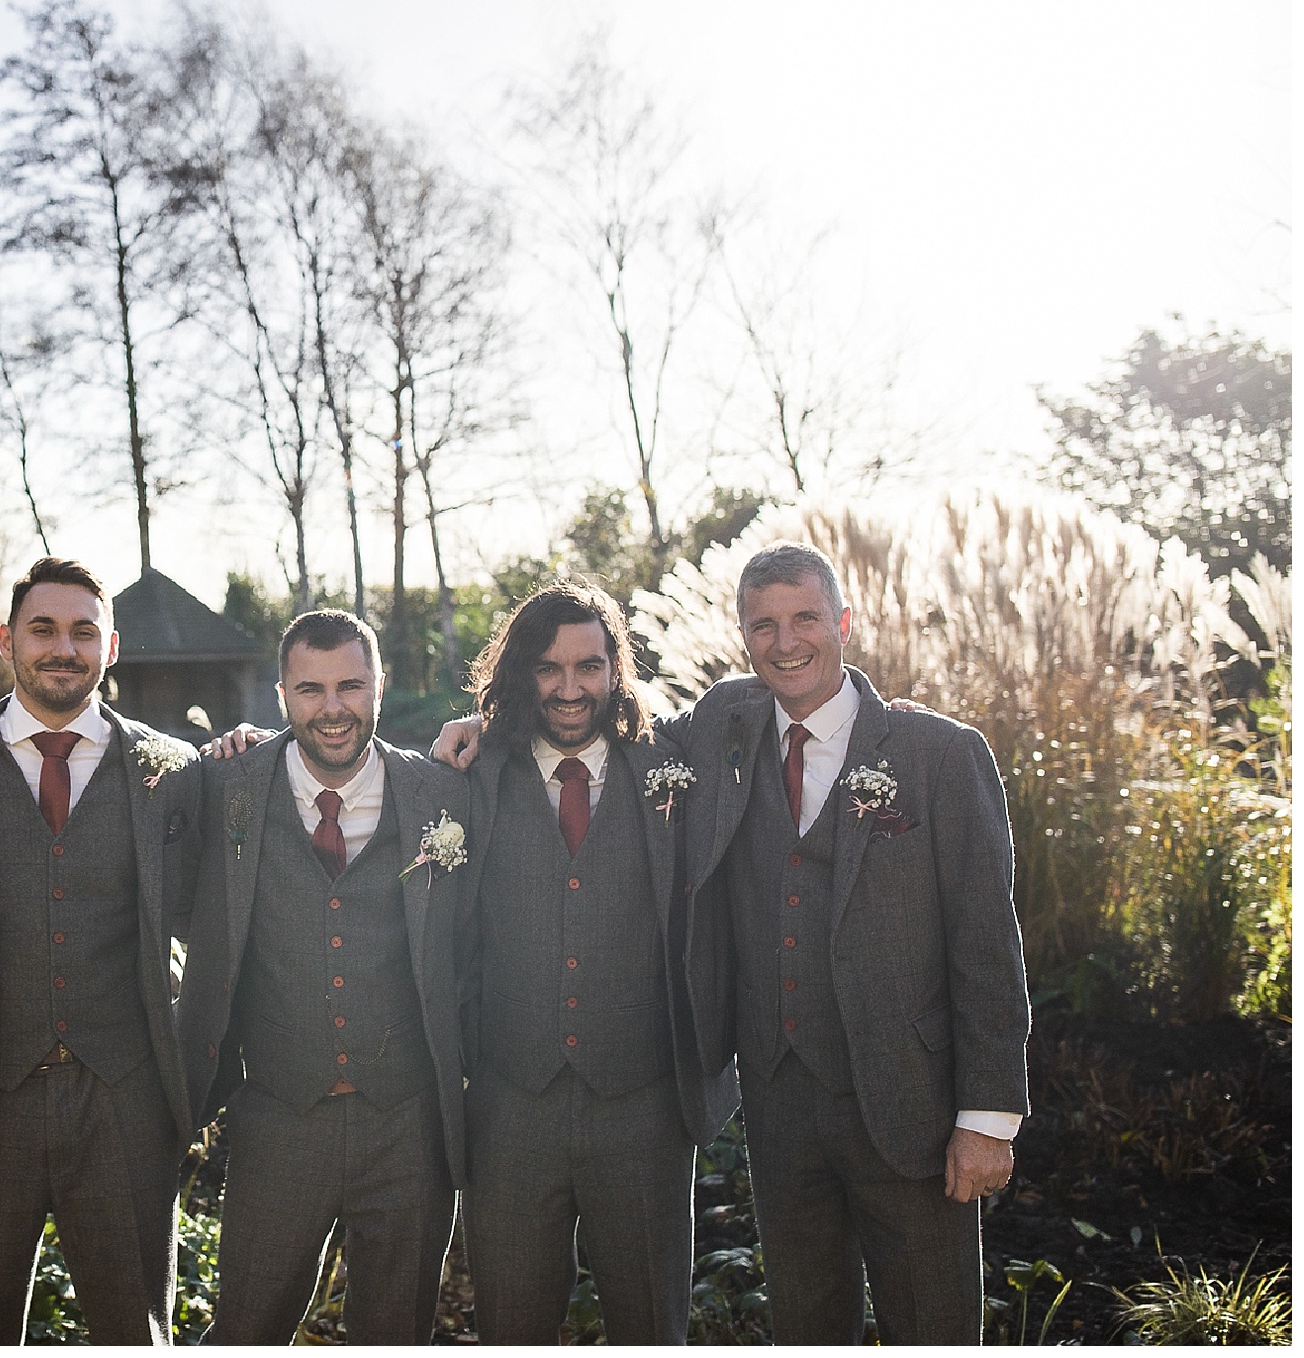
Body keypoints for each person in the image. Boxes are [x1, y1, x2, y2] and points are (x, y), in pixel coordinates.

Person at [434, 543, 1028, 1344]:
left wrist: (989, 1116)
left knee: (934, 1327)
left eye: (806, 619)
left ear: (844, 623)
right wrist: (488, 719)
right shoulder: (726, 729)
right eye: (765, 626)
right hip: (779, 1099)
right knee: (807, 1324)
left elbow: (988, 942)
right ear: (745, 638)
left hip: (906, 1100)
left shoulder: (940, 755)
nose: (787, 643)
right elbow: (586, 715)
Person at [0, 557, 202, 1344]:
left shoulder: (173, 772)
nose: (61, 648)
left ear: (111, 646)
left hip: (125, 1100)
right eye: (42, 629)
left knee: (133, 1331)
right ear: (6, 640)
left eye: (82, 631)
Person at [177, 609, 470, 1345]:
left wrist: (489, 723)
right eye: (310, 689)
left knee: (395, 1332)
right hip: (279, 1117)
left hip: (409, 1123)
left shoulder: (442, 794)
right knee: (246, 1325)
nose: (332, 708)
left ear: (380, 686)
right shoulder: (225, 787)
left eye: (350, 685)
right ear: (281, 694)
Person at [455, 582, 735, 1344]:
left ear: (618, 668)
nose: (571, 689)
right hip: (510, 1107)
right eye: (549, 669)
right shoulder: (470, 774)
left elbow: (771, 699)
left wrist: (882, 705)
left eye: (589, 666)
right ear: (520, 673)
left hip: (643, 1108)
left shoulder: (673, 764)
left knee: (652, 1329)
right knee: (512, 1330)